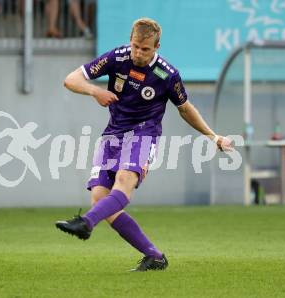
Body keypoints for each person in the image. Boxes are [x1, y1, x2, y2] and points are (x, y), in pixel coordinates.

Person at [55, 18, 233, 271]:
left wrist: (213, 137)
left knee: (124, 183)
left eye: (145, 49)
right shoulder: (116, 58)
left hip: (143, 135)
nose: (138, 53)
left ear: (157, 46)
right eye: (136, 46)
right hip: (112, 136)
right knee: (99, 198)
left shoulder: (167, 75)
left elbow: (185, 109)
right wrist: (95, 91)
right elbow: (71, 80)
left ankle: (85, 223)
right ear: (131, 40)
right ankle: (154, 256)